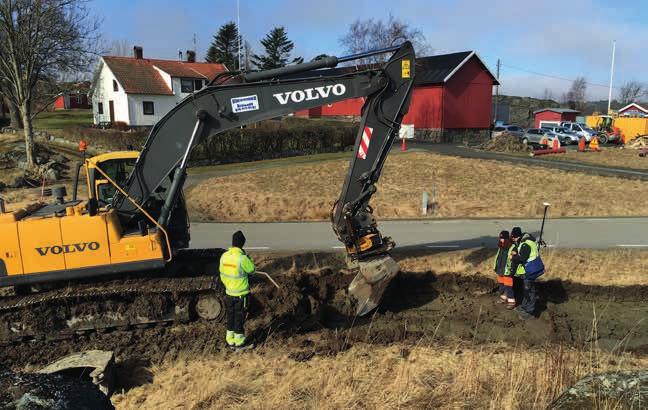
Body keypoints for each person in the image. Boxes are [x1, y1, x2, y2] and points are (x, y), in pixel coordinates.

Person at [219, 230, 255, 348]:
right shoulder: (241, 258)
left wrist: (228, 285)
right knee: (239, 318)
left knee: (230, 317)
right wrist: (248, 259)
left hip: (229, 292)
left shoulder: (224, 256)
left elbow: (222, 274)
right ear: (242, 244)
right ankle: (239, 343)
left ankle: (230, 341)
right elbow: (251, 270)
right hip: (241, 294)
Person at [509, 227, 539, 320]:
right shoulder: (526, 241)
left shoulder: (526, 244)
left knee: (529, 292)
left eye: (513, 237)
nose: (512, 239)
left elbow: (522, 259)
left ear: (517, 236)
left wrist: (513, 257)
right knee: (526, 290)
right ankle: (524, 308)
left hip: (530, 270)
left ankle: (529, 313)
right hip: (530, 269)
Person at [493, 230, 516, 309]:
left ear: (506, 238)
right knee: (502, 285)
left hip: (507, 270)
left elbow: (513, 259)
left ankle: (511, 302)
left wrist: (511, 269)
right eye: (500, 238)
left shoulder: (512, 247)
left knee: (508, 286)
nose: (501, 240)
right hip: (500, 269)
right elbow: (498, 257)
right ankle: (503, 297)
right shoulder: (501, 246)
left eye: (502, 238)